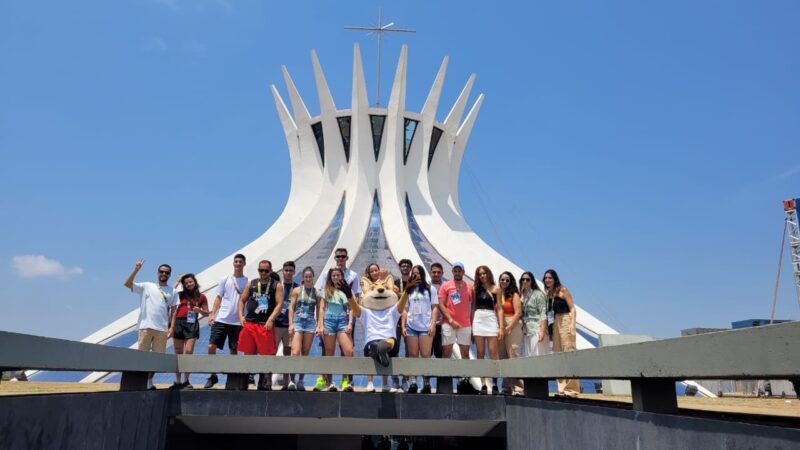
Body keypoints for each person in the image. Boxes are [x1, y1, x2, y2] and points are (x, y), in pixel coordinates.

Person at [349, 272, 409, 390]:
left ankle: (374, 381)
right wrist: (349, 296)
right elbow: (355, 309)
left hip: (377, 342)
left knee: (382, 348)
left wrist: (407, 291)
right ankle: (383, 383)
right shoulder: (366, 311)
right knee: (387, 346)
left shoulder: (392, 310)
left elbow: (401, 304)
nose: (381, 290)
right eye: (373, 288)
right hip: (383, 343)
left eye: (385, 287)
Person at [124, 258, 177, 390]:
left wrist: (171, 327)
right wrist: (136, 270)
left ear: (170, 275)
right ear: (157, 273)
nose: (164, 274)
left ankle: (149, 381)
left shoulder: (173, 291)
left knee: (157, 359)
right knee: (142, 357)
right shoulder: (147, 286)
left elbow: (174, 310)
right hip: (146, 326)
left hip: (162, 329)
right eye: (161, 271)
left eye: (166, 272)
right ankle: (140, 382)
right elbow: (127, 284)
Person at [315, 248, 361, 390]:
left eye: (338, 275)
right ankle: (329, 382)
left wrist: (350, 323)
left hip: (342, 321)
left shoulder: (348, 288)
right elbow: (321, 307)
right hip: (329, 321)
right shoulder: (326, 290)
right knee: (328, 352)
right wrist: (320, 324)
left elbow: (352, 306)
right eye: (333, 275)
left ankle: (346, 380)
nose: (335, 277)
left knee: (348, 351)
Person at [237, 260, 284, 390]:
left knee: (266, 354)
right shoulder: (251, 284)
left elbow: (280, 304)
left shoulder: (276, 285)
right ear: (258, 270)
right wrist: (240, 316)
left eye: (266, 271)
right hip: (250, 323)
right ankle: (245, 380)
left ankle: (264, 381)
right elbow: (242, 300)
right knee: (248, 353)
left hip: (264, 325)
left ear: (270, 271)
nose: (263, 273)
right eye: (261, 270)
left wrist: (271, 319)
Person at [205, 254, 248, 389]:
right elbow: (218, 298)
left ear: (244, 264)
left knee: (233, 350)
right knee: (211, 346)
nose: (238, 263)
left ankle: (232, 378)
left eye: (240, 262)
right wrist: (213, 314)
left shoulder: (247, 281)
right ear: (233, 263)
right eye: (236, 261)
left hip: (237, 321)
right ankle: (213, 375)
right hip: (222, 319)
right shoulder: (225, 279)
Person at [168, 274, 209, 390]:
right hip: (178, 323)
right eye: (186, 283)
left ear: (195, 282)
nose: (189, 284)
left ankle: (186, 380)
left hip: (191, 324)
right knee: (178, 352)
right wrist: (177, 280)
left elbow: (207, 313)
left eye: (190, 282)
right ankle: (178, 381)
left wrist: (199, 310)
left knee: (189, 351)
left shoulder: (201, 297)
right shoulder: (180, 295)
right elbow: (170, 293)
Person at [437, 262, 473, 392]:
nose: (457, 273)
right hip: (449, 323)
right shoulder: (446, 286)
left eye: (459, 271)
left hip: (465, 324)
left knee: (465, 353)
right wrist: (451, 320)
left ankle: (465, 380)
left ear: (463, 272)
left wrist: (472, 322)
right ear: (452, 272)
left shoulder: (469, 287)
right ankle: (445, 381)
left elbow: (472, 305)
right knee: (446, 352)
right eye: (455, 271)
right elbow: (441, 304)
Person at [401, 265, 437, 394]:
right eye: (414, 273)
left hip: (425, 326)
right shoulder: (409, 290)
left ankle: (426, 381)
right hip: (412, 325)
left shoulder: (430, 289)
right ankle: (413, 382)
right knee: (413, 355)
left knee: (426, 354)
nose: (416, 275)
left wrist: (433, 324)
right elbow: (405, 309)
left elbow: (434, 308)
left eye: (418, 273)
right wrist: (403, 325)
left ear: (422, 274)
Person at [544, 269, 579, 398]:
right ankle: (562, 389)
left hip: (565, 319)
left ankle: (572, 389)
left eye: (550, 278)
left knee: (568, 351)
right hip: (555, 323)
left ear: (555, 279)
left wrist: (572, 324)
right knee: (558, 354)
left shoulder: (563, 290)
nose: (547, 280)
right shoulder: (549, 294)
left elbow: (573, 308)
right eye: (546, 278)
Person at [471, 265, 504, 395]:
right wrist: (471, 326)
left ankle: (495, 383)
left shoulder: (496, 289)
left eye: (484, 273)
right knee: (480, 353)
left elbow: (499, 309)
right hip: (478, 318)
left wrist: (501, 327)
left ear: (488, 274)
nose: (482, 276)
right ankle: (483, 384)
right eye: (479, 274)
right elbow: (473, 307)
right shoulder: (475, 289)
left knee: (492, 352)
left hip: (491, 318)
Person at [288, 266, 321, 392]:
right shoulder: (296, 290)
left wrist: (319, 324)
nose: (308, 279)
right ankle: (292, 380)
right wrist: (291, 324)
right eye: (306, 277)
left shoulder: (316, 292)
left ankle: (301, 380)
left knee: (305, 352)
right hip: (298, 321)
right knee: (295, 351)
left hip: (310, 323)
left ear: (313, 278)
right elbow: (291, 308)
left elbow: (319, 309)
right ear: (303, 277)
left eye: (310, 277)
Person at [271, 261, 297, 390]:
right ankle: (267, 380)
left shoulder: (297, 288)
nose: (288, 273)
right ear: (282, 271)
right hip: (277, 324)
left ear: (294, 272)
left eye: (290, 270)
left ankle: (287, 382)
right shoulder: (277, 286)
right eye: (286, 270)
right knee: (272, 352)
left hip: (289, 326)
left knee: (288, 353)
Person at [497, 271, 522, 395]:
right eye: (502, 279)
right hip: (499, 325)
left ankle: (518, 387)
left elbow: (518, 312)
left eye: (507, 280)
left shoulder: (514, 294)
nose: (504, 282)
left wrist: (509, 326)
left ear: (511, 281)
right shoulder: (497, 293)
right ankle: (506, 386)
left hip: (512, 323)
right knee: (503, 357)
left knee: (513, 354)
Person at [362, 263, 387, 392]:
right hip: (371, 321)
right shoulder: (365, 286)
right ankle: (370, 382)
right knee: (371, 350)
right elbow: (362, 302)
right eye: (372, 271)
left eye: (376, 270)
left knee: (384, 350)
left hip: (384, 320)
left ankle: (385, 383)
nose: (374, 273)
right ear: (369, 273)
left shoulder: (385, 284)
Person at [391, 258, 414, 392]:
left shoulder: (414, 283)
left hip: (411, 321)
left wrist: (399, 294)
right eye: (403, 266)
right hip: (396, 320)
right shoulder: (395, 283)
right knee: (394, 349)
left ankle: (405, 379)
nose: (405, 268)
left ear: (410, 268)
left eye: (407, 266)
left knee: (409, 351)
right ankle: (394, 379)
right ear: (399, 267)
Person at [520, 271, 549, 359]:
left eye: (527, 279)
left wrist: (542, 331)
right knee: (528, 358)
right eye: (523, 279)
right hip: (526, 331)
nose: (525, 281)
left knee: (538, 357)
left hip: (536, 329)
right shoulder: (521, 295)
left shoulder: (538, 294)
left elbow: (543, 313)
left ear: (531, 281)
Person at [429, 263, 445, 359]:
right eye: (434, 272)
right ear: (430, 273)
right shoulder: (426, 286)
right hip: (428, 325)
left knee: (440, 352)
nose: (436, 274)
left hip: (442, 325)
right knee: (427, 352)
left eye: (438, 272)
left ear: (442, 273)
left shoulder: (447, 287)